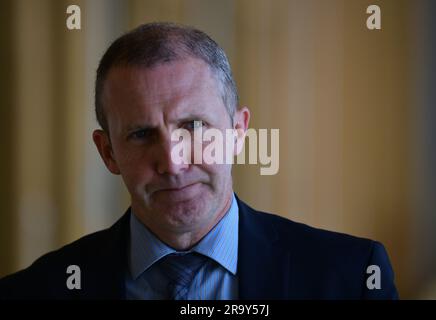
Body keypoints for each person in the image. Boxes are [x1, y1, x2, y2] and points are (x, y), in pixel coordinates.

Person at [0, 22, 398, 299]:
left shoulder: (351, 278)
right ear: (108, 153)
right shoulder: (35, 291)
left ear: (238, 131)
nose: (172, 162)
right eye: (141, 134)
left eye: (193, 126)